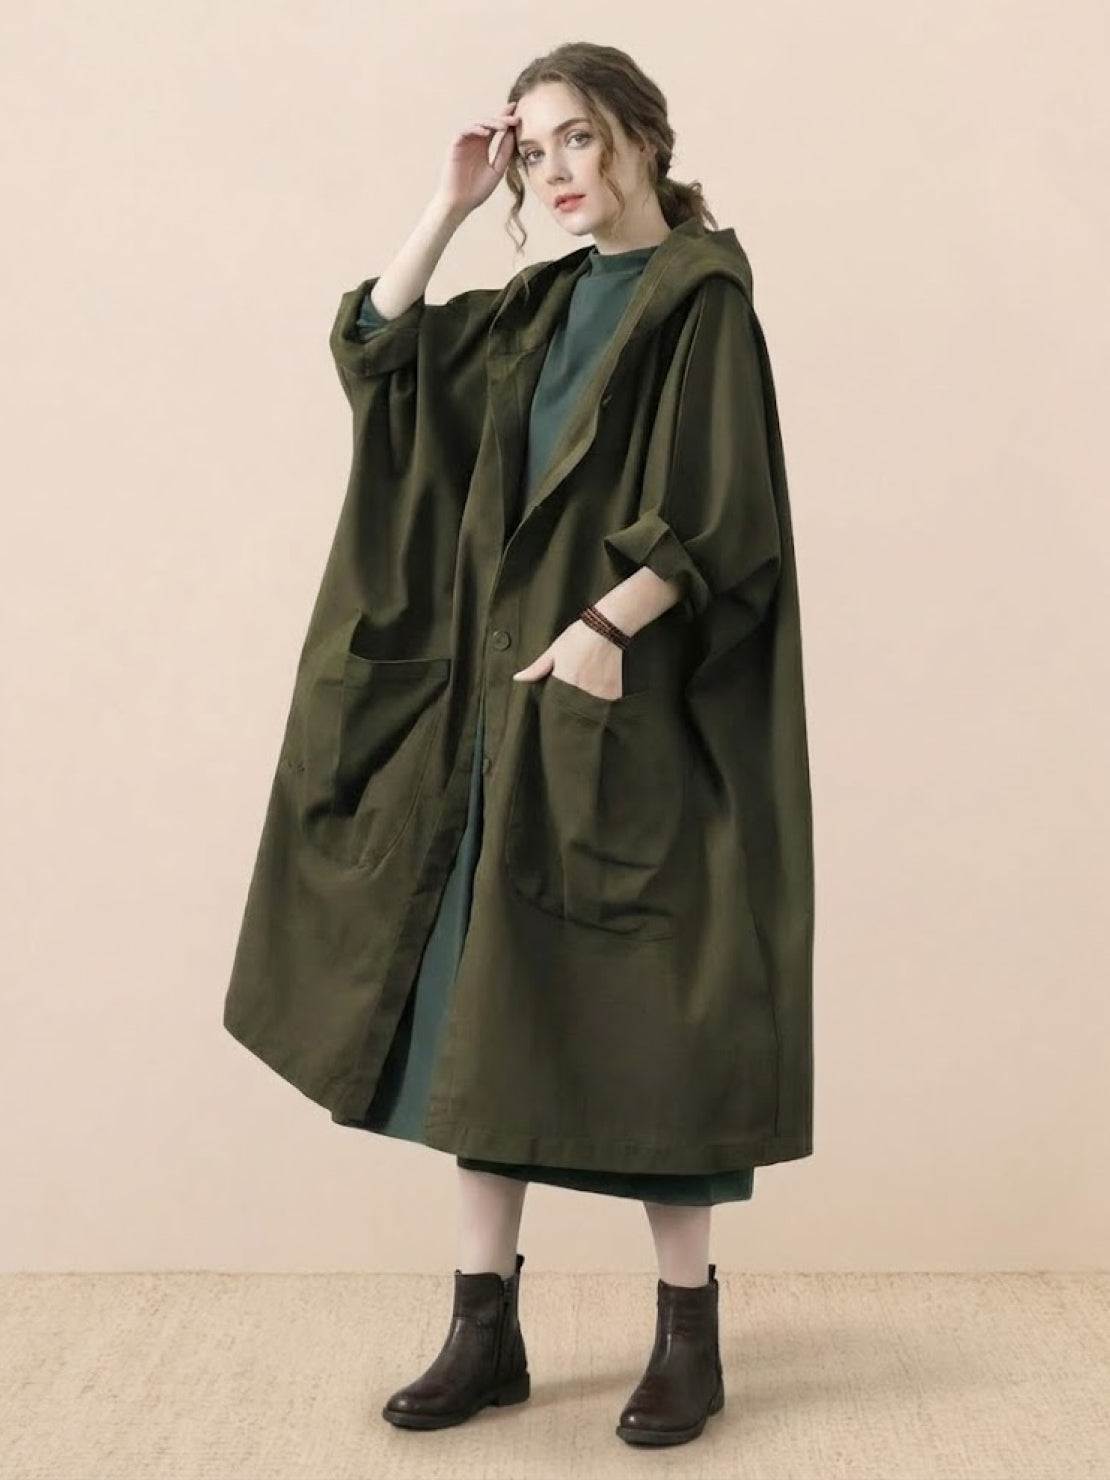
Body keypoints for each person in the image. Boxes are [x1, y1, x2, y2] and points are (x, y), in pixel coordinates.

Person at [223, 40, 813, 1451]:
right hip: (505, 713)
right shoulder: (538, 306)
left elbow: (725, 510)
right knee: (479, 1018)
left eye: (577, 138)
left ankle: (687, 1338)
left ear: (642, 136)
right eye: (532, 151)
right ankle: (482, 1330)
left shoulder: (700, 302)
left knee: (663, 1015)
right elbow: (379, 355)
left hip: (627, 710)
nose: (553, 172)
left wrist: (607, 627)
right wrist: (446, 202)